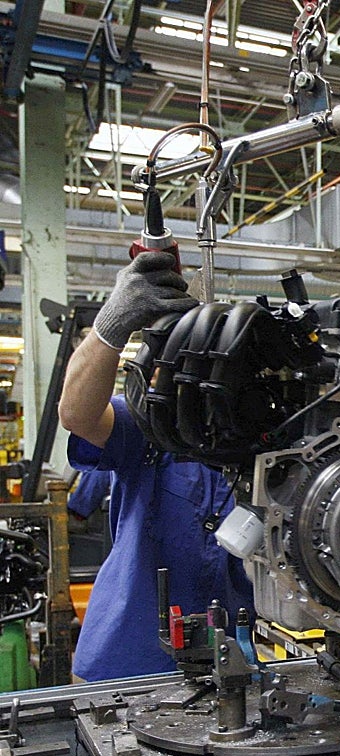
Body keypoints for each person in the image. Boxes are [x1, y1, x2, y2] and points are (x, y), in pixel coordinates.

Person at [58, 251, 255, 684]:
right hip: (126, 659)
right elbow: (77, 414)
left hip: (230, 660)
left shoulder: (262, 443)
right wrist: (111, 326)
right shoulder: (148, 425)